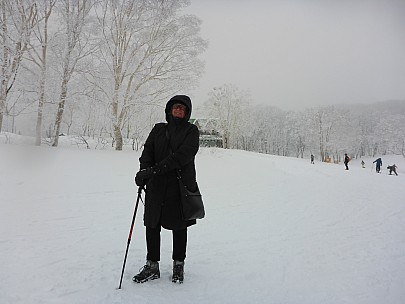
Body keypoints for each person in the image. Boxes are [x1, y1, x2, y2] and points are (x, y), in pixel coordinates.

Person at [133, 95, 200, 284]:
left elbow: (183, 156)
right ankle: (152, 265)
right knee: (152, 225)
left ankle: (179, 264)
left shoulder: (191, 131)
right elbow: (148, 151)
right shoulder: (158, 129)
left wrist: (154, 170)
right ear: (169, 109)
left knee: (179, 227)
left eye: (182, 108)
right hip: (156, 186)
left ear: (187, 112)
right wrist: (143, 171)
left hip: (179, 186)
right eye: (175, 107)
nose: (178, 110)